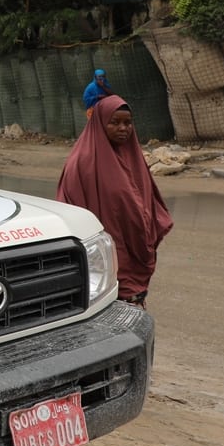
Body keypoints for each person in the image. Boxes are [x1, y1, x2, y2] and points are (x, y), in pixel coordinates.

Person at [56, 95, 173, 308]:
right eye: (115, 122)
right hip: (106, 249)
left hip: (136, 243)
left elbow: (149, 198)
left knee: (134, 301)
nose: (123, 128)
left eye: (128, 123)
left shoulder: (133, 157)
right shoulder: (82, 162)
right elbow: (71, 209)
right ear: (100, 123)